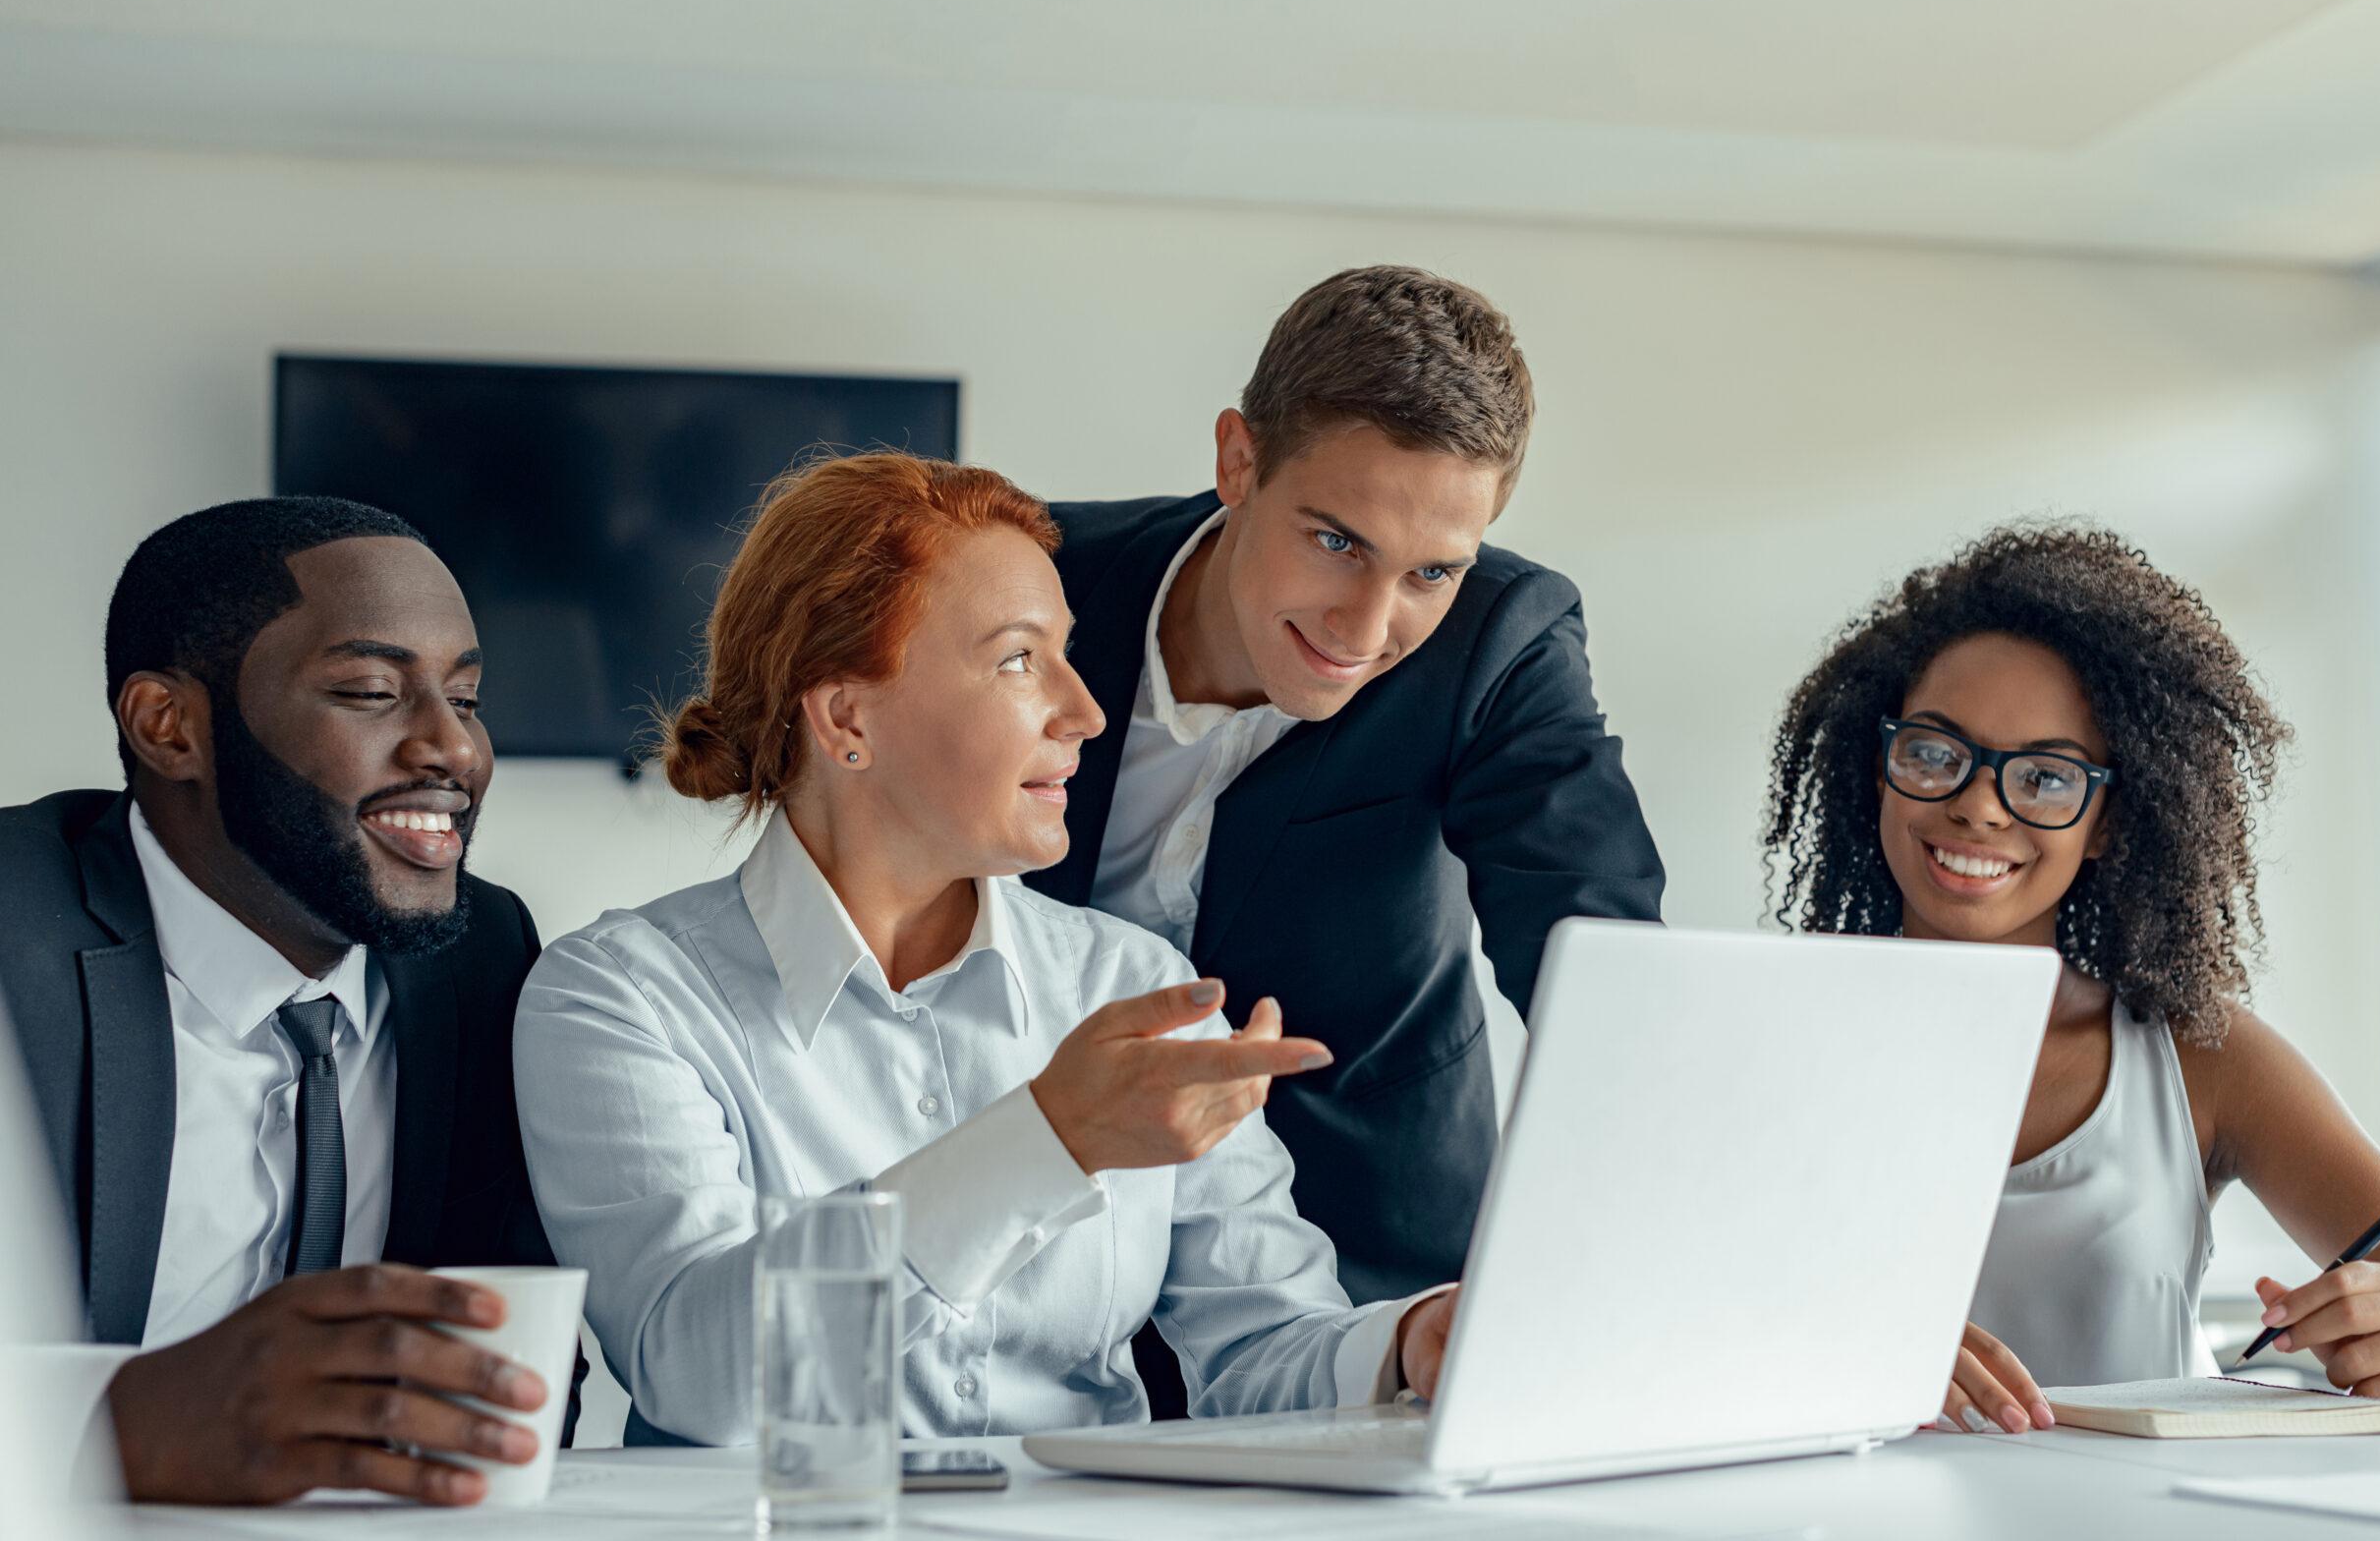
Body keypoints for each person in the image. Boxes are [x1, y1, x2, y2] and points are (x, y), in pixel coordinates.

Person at [513, 452, 1459, 1447]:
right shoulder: (621, 998)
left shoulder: (1133, 984)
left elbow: (1263, 1350)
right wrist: (1048, 1139)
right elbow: (699, 1377)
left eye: (1068, 653)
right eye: (1018, 660)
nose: (1086, 712)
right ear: (846, 717)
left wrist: (1409, 1344)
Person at [1762, 524, 2380, 1429]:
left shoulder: (2204, 1056)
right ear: (1875, 768)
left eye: (2046, 776)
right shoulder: (1764, 1032)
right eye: (1933, 751)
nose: (1976, 803)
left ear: (2111, 820)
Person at [1032, 265, 1664, 1324]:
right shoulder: (1037, 580)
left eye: (1430, 573)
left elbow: (1600, 962)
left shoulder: (1500, 641)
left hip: (1370, 1269)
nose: (1366, 632)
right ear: (1239, 459)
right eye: (1337, 543)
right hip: (1042, 1249)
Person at [1, 497, 572, 1506]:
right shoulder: (14, 931)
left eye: (468, 699)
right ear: (168, 725)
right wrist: (112, 1423)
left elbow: (510, 1360)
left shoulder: (484, 956)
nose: (455, 751)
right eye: (368, 690)